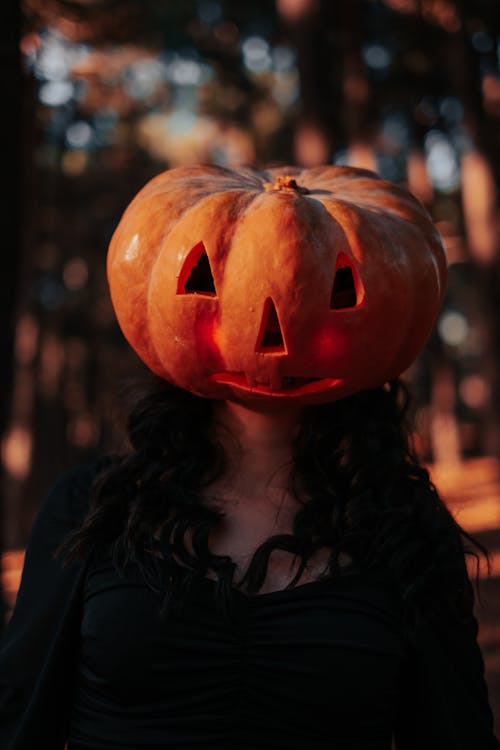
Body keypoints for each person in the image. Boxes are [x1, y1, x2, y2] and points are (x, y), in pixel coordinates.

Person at [0, 164, 498, 750]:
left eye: (339, 289)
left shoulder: (407, 532)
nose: (272, 340)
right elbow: (20, 720)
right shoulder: (92, 509)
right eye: (205, 277)